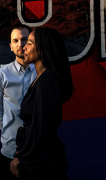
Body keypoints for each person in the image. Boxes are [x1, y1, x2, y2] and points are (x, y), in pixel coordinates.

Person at [10, 27, 73, 180]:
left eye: (29, 43)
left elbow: (41, 129)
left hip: (42, 166)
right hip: (39, 161)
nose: (24, 47)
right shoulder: (41, 80)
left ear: (43, 51)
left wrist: (21, 159)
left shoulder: (46, 81)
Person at [0, 26, 37, 180]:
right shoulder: (2, 76)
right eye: (15, 40)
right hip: (10, 149)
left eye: (24, 40)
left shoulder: (40, 73)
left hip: (36, 150)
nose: (20, 44)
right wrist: (11, 133)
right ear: (10, 46)